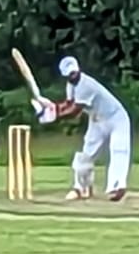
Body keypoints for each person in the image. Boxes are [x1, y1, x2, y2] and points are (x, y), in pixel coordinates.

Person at [52, 55, 131, 201]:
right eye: (70, 75)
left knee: (119, 150)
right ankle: (81, 188)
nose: (73, 76)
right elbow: (68, 103)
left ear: (78, 69)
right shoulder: (70, 85)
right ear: (66, 76)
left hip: (117, 118)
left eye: (74, 72)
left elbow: (75, 111)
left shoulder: (86, 85)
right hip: (97, 120)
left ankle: (117, 186)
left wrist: (55, 116)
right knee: (86, 154)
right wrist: (54, 108)